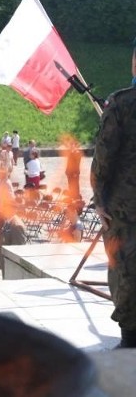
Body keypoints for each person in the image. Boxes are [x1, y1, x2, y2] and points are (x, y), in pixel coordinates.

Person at [90, 49, 136, 347]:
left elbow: (104, 156)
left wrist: (98, 198)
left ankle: (131, 336)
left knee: (124, 267)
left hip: (126, 207)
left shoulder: (122, 102)